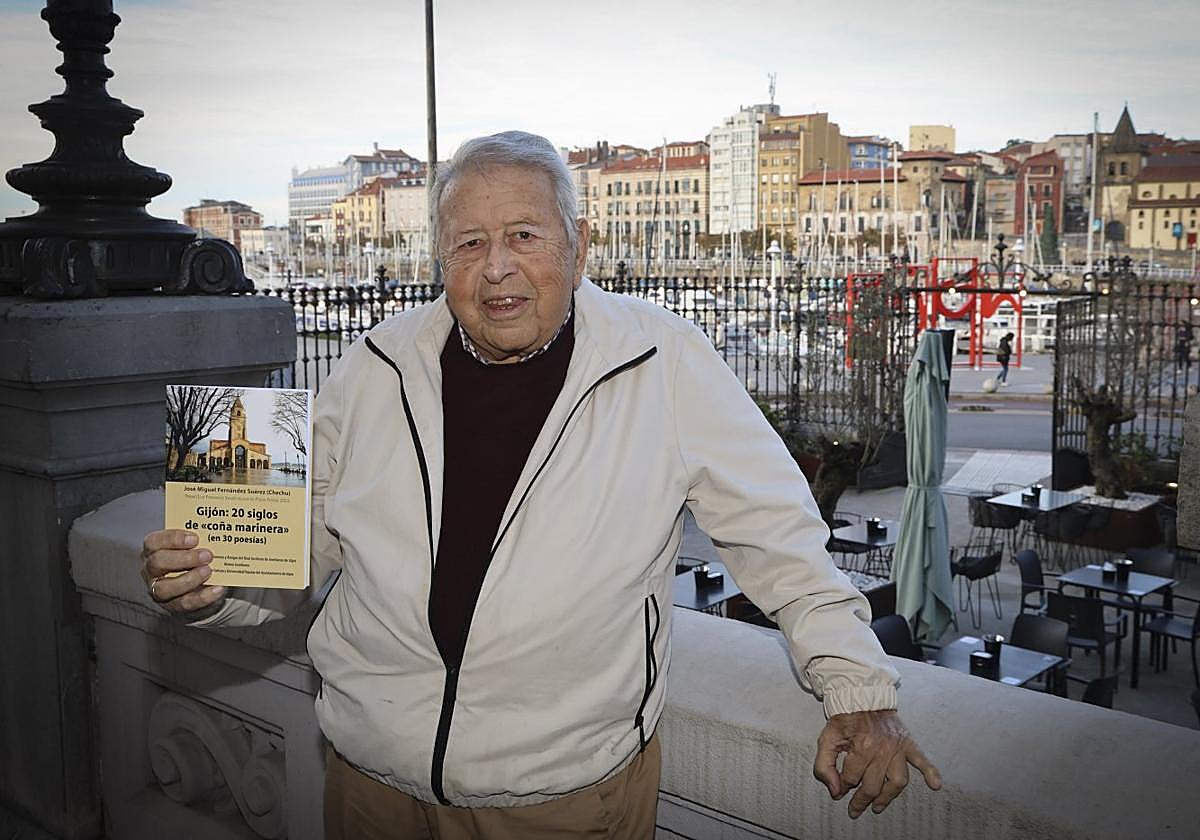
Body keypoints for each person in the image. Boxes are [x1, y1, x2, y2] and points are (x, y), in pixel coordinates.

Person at [141, 131, 940, 838]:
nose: (497, 268)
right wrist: (210, 583)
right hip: (369, 786)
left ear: (578, 245)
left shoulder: (662, 360)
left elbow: (779, 538)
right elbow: (300, 547)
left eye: (524, 235)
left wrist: (857, 687)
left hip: (561, 802)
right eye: (469, 243)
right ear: (441, 260)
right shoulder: (374, 363)